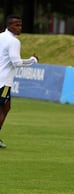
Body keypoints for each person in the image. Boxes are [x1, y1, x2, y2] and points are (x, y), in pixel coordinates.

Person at [0, 15, 39, 148]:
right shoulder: (13, 41)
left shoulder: (1, 37)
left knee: (6, 107)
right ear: (9, 25)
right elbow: (16, 62)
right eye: (16, 25)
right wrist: (32, 60)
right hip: (4, 82)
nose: (19, 28)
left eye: (20, 25)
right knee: (3, 108)